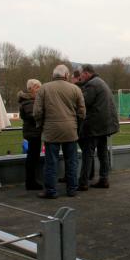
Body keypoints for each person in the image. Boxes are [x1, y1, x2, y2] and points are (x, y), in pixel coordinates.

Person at [33, 65, 85, 198]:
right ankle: (72, 189)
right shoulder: (75, 89)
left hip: (51, 130)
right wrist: (76, 125)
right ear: (66, 75)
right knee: (72, 161)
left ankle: (51, 190)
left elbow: (37, 112)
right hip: (70, 130)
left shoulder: (44, 88)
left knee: (51, 162)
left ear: (53, 75)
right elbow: (82, 112)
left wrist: (41, 124)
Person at [78, 64, 119, 190]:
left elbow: (84, 102)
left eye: (81, 75)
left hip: (95, 125)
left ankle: (83, 182)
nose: (80, 77)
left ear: (86, 73)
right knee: (102, 153)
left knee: (88, 153)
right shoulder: (100, 82)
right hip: (105, 124)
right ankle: (104, 179)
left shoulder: (91, 85)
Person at [18, 79, 43, 190]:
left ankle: (31, 181)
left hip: (33, 132)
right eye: (38, 87)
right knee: (33, 157)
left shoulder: (29, 100)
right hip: (33, 133)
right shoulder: (29, 101)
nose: (40, 89)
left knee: (33, 157)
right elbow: (33, 115)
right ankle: (31, 182)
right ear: (31, 88)